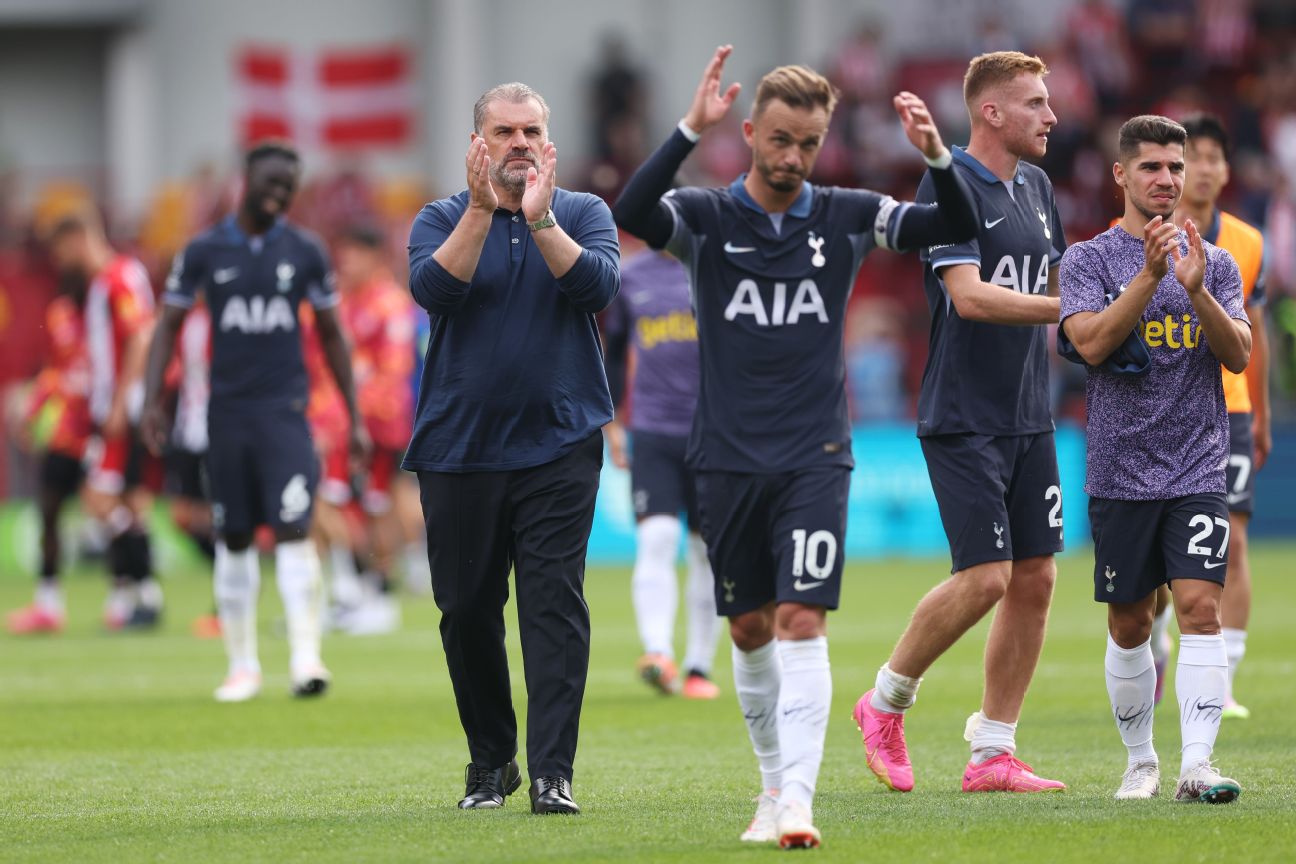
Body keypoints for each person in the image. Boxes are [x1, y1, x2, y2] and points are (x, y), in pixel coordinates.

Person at [613, 46, 976, 848]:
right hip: (725, 457)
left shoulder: (846, 213)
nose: (792, 156)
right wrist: (683, 130)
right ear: (748, 131)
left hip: (815, 455)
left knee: (802, 620)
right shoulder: (708, 219)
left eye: (807, 143)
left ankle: (801, 800)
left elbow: (952, 221)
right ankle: (771, 785)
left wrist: (939, 159)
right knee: (747, 630)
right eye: (779, 139)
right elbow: (635, 212)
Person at [853, 51, 1068, 796]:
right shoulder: (951, 186)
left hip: (1028, 413)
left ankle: (993, 754)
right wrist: (1069, 311)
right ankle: (883, 703)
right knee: (985, 578)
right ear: (992, 113)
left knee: (1036, 578)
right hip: (963, 415)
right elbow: (971, 298)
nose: (1051, 116)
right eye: (1036, 103)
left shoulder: (1039, 186)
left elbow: (1055, 284)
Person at [405, 82, 619, 816]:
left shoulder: (584, 213)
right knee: (466, 611)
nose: (519, 143)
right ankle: (491, 761)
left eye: (532, 131)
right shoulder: (440, 216)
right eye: (504, 131)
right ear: (478, 144)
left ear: (549, 142)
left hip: (559, 446)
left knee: (552, 609)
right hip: (459, 449)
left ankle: (553, 770)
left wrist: (542, 220)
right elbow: (434, 291)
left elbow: (596, 289)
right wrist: (479, 209)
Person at [1059, 115, 1250, 803]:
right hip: (1119, 469)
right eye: (1151, 167)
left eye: (1175, 166)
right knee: (1130, 620)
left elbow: (1239, 355)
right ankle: (1141, 761)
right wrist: (1147, 277)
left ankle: (1197, 766)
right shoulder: (1087, 261)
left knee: (1201, 607)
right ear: (1121, 176)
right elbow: (1089, 345)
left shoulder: (1217, 262)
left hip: (1198, 466)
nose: (1167, 179)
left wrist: (1195, 289)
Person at [141, 140, 369, 702]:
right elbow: (166, 327)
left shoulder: (306, 251)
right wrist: (151, 401)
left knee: (294, 531)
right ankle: (242, 665)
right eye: (270, 184)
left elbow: (333, 335)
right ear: (246, 180)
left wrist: (354, 413)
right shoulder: (204, 251)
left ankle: (306, 659)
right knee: (235, 538)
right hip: (227, 417)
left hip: (286, 415)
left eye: (288, 189)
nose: (279, 196)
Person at [1146, 114, 1269, 720]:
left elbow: (1257, 333)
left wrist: (1263, 414)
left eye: (1216, 158)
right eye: (1193, 158)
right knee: (1163, 557)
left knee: (1234, 539)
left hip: (1234, 405)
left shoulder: (1246, 242)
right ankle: (1160, 638)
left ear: (1225, 169)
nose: (1205, 169)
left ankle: (1223, 678)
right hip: (1171, 407)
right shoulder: (1150, 236)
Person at [603, 249, 722, 700]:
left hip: (713, 433)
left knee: (707, 551)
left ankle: (699, 667)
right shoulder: (630, 277)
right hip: (652, 431)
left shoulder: (716, 264)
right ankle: (657, 652)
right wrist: (613, 422)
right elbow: (614, 354)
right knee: (656, 538)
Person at [45, 210, 162, 629]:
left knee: (99, 500)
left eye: (61, 249)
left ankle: (144, 590)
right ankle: (142, 596)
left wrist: (119, 400)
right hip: (113, 405)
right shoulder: (103, 282)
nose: (60, 260)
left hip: (121, 409)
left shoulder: (118, 277)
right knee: (130, 502)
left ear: (78, 238)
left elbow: (142, 335)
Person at [330, 223, 417, 634]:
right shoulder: (345, 300)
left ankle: (380, 594)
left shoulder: (389, 305)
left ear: (374, 256)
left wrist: (358, 413)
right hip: (344, 424)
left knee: (377, 506)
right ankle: (357, 592)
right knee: (353, 508)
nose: (345, 262)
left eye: (352, 254)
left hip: (379, 426)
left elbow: (394, 371)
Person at [6, 289, 92, 634]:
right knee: (49, 510)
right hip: (67, 434)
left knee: (115, 507)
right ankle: (48, 603)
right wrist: (32, 411)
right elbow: (56, 372)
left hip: (100, 427)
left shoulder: (110, 304)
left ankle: (134, 594)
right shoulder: (61, 313)